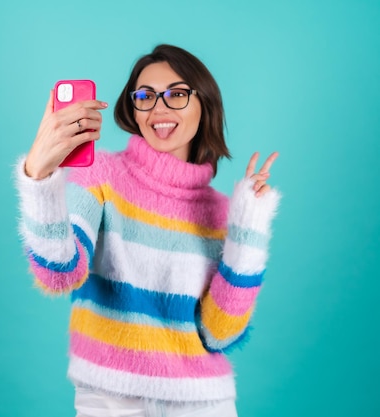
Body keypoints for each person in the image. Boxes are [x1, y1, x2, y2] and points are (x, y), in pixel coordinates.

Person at [14, 44, 280, 417]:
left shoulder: (220, 211)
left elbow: (220, 333)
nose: (159, 108)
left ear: (204, 104)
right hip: (110, 397)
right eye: (146, 96)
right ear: (132, 108)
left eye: (177, 94)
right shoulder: (101, 175)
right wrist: (39, 176)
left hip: (203, 402)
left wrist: (249, 225)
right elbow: (58, 274)